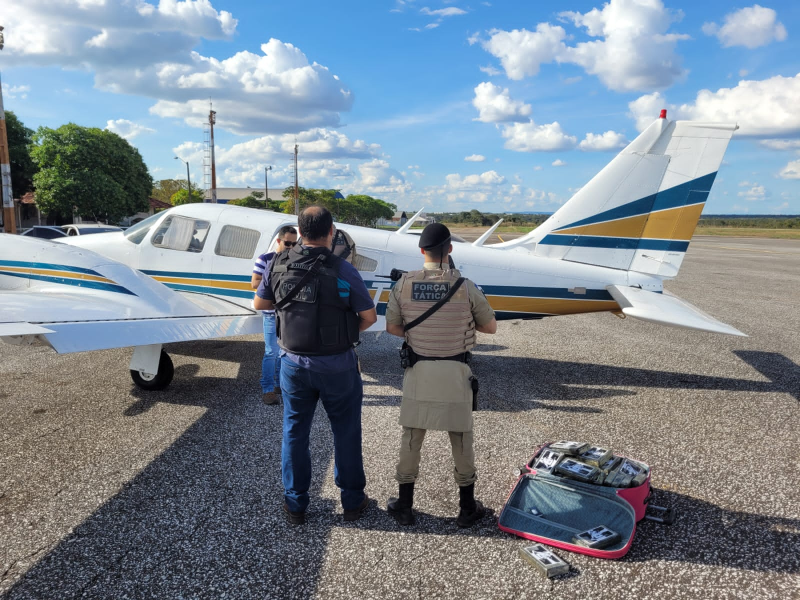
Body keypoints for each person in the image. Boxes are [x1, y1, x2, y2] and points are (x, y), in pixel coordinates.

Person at [254, 206, 378, 525]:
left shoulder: (277, 263)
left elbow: (260, 304)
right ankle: (352, 500)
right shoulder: (343, 268)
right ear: (331, 231)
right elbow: (368, 317)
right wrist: (341, 335)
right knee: (346, 432)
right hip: (338, 365)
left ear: (300, 230)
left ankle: (296, 504)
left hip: (293, 365)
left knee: (295, 431)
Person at [384, 222, 497, 528]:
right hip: (455, 373)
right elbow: (490, 327)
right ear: (449, 249)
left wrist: (419, 333)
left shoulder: (404, 284)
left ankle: (405, 506)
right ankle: (466, 507)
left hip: (419, 371)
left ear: (421, 250)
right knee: (461, 439)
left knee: (411, 437)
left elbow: (392, 327)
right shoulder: (465, 286)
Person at [251, 225, 298, 405]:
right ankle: (268, 389)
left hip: (288, 313)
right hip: (271, 313)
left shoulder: (295, 259)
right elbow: (254, 283)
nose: (291, 247)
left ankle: (280, 384)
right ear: (278, 241)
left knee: (284, 352)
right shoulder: (265, 259)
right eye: (288, 243)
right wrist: (278, 279)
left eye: (295, 244)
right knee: (271, 352)